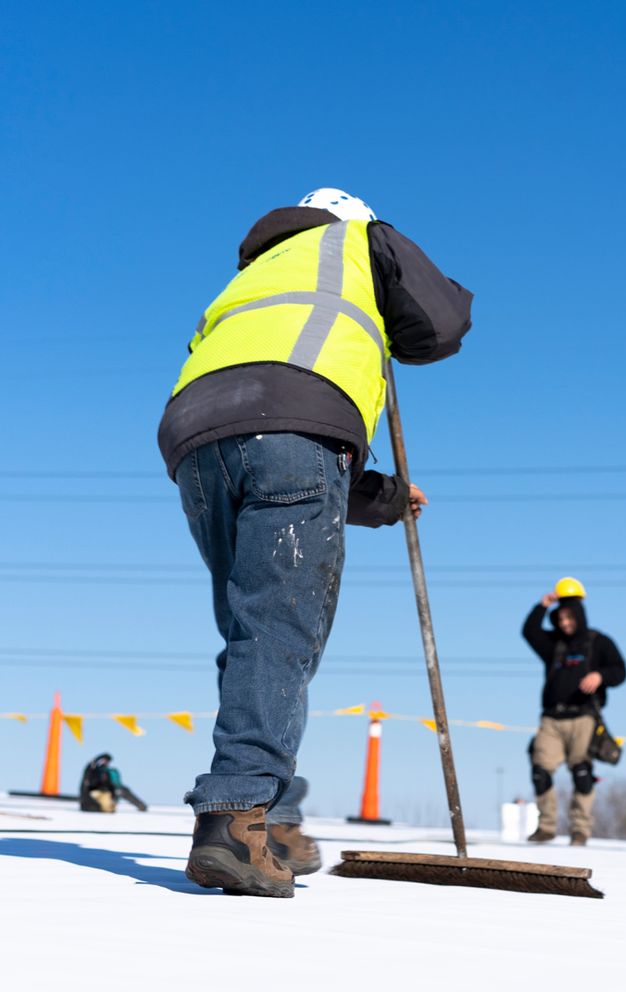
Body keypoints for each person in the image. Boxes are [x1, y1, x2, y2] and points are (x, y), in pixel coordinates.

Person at [157, 187, 472, 897]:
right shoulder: (360, 240)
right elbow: (443, 325)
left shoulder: (259, 272)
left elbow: (267, 425)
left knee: (255, 629)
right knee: (278, 632)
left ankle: (278, 816)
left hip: (197, 436)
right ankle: (236, 819)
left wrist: (382, 497)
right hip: (294, 427)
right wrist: (391, 316)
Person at [521, 577, 626, 846]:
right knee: (540, 769)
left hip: (584, 717)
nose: (565, 623)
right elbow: (529, 632)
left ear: (579, 616)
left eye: (569, 618)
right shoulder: (553, 644)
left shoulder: (598, 642)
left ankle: (580, 830)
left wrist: (600, 676)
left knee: (581, 771)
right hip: (552, 718)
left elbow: (620, 670)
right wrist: (542, 606)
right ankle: (546, 827)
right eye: (561, 619)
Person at [79, 753, 147, 812]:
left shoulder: (110, 771)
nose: (105, 762)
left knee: (123, 790)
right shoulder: (93, 769)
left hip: (109, 792)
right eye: (103, 760)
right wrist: (97, 758)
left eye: (107, 761)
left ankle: (141, 806)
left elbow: (116, 785)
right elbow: (88, 771)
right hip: (96, 792)